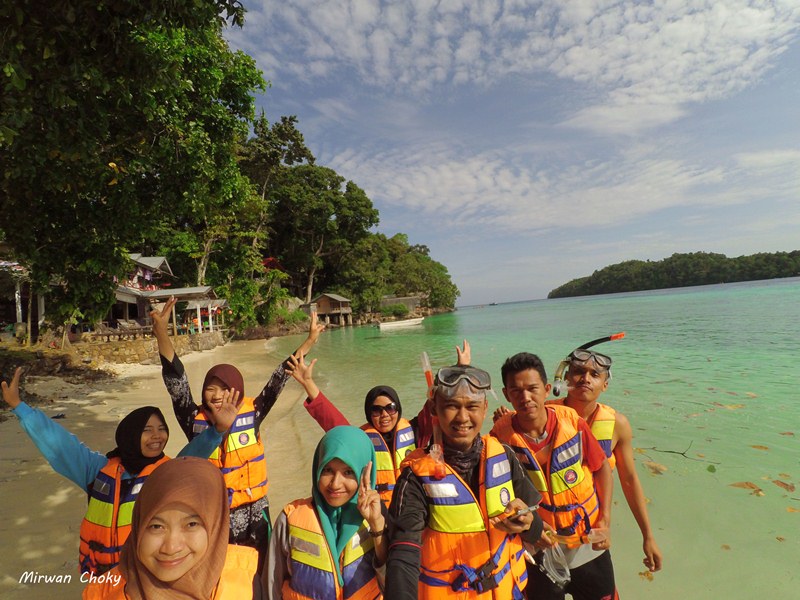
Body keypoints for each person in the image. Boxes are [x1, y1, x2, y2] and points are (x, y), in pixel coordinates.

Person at [1, 367, 240, 576]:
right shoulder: (97, 470)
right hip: (102, 577)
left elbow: (192, 457)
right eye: (147, 430)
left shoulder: (166, 474)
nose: (157, 436)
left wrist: (217, 430)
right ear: (130, 435)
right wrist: (20, 408)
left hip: (144, 578)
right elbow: (60, 444)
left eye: (161, 429)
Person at [151, 298, 325, 572]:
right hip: (211, 513)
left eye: (225, 388)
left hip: (256, 513)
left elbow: (281, 375)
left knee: (261, 572)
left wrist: (310, 340)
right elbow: (175, 378)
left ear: (238, 390)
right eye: (211, 388)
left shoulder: (254, 412)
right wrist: (161, 330)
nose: (218, 395)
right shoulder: (192, 419)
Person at [385, 364, 544, 599]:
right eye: (451, 406)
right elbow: (403, 553)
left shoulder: (505, 456)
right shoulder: (416, 478)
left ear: (485, 408)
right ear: (433, 409)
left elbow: (536, 528)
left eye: (472, 407)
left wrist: (528, 522)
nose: (463, 417)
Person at [490, 353, 615, 600]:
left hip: (586, 540)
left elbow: (602, 468)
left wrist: (605, 519)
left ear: (547, 389)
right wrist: (528, 528)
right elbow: (499, 500)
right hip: (537, 550)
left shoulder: (572, 422)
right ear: (506, 395)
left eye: (532, 389)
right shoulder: (498, 440)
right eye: (516, 391)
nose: (525, 398)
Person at [286, 341, 473, 506]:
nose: (384, 414)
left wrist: (460, 369)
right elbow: (333, 422)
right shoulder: (361, 440)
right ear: (369, 413)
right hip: (378, 513)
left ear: (398, 409)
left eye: (390, 408)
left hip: (413, 508)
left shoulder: (417, 429)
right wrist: (308, 384)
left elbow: (437, 400)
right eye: (376, 410)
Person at [548, 345, 662, 573]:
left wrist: (648, 536)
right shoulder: (545, 415)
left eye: (595, 375)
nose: (585, 379)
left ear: (605, 385)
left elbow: (629, 480)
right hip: (548, 538)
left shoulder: (616, 425)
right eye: (579, 371)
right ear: (565, 377)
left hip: (593, 534)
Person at [82, 456, 260, 599]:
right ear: (138, 526)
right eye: (156, 526)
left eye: (191, 524)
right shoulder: (101, 594)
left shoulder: (247, 583)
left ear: (216, 526)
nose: (171, 547)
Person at [265, 425, 388, 599]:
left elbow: (392, 585)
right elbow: (272, 585)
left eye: (348, 472)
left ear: (364, 474)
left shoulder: (377, 516)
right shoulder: (290, 519)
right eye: (328, 470)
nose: (335, 484)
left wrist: (377, 525)